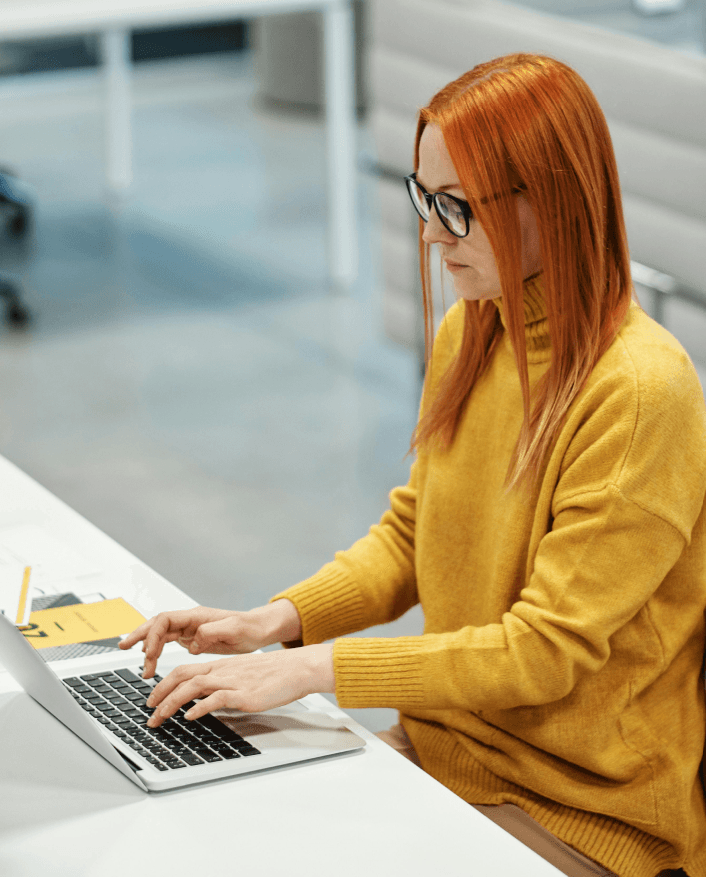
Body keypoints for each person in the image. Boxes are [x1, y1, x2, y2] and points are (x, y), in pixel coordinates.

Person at [120, 54, 706, 877]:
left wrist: (310, 669)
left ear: (553, 200)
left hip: (582, 810)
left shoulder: (640, 390)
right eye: (423, 199)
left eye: (456, 208)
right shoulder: (472, 330)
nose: (430, 235)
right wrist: (272, 622)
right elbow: (414, 533)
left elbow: (540, 653)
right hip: (447, 753)